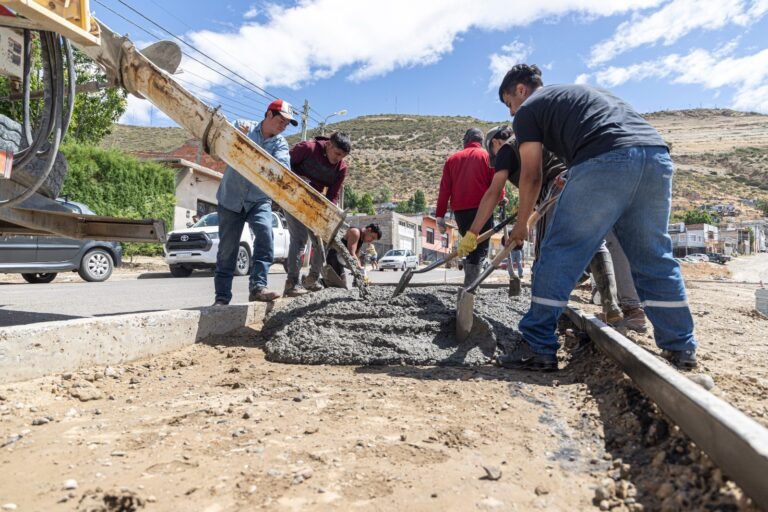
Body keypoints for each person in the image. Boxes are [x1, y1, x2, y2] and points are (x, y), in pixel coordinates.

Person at [489, 63, 697, 371]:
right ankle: (680, 347)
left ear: (520, 90)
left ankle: (538, 347)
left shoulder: (530, 109)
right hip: (655, 159)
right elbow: (606, 133)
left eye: (509, 103)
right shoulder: (578, 95)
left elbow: (531, 176)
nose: (511, 113)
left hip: (606, 160)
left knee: (560, 252)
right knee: (653, 257)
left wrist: (522, 226)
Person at [213, 99, 298, 305]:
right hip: (231, 198)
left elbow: (281, 169)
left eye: (287, 124)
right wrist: (237, 139)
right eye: (282, 120)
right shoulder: (242, 126)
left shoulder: (280, 143)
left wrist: (248, 149)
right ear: (269, 114)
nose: (284, 126)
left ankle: (258, 287)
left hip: (259, 199)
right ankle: (222, 298)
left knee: (265, 237)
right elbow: (220, 146)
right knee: (227, 250)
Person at [283, 131, 352, 296]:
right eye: (336, 153)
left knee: (324, 240)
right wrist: (299, 179)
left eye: (342, 156)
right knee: (299, 239)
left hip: (315, 205)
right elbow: (283, 164)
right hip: (292, 196)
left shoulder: (341, 168)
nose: (337, 159)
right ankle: (292, 283)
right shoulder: (307, 148)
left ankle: (312, 279)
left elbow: (332, 195)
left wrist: (326, 217)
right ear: (328, 144)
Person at [436, 128, 500, 286]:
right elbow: (497, 184)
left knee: (469, 246)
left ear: (465, 141)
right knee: (479, 249)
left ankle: (469, 283)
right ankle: (470, 287)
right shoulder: (488, 157)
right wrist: (501, 198)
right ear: (481, 141)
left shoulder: (452, 159)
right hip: (483, 209)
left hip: (460, 212)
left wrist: (440, 216)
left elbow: (444, 189)